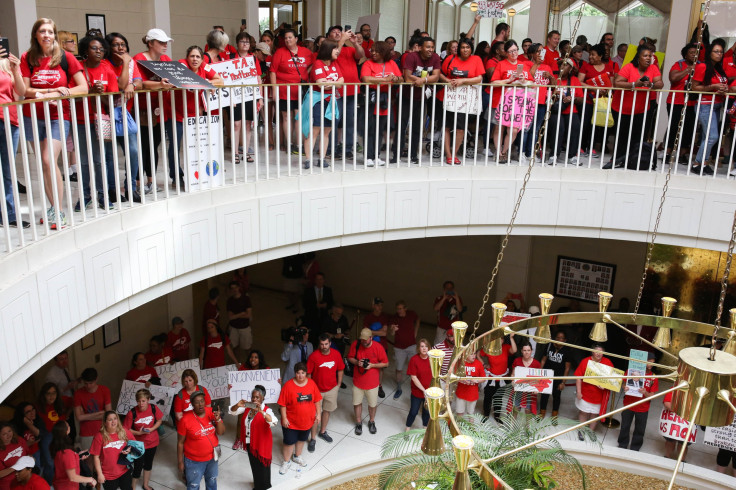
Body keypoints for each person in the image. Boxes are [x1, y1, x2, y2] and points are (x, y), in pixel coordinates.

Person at [21, 18, 87, 229]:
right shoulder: (28, 57)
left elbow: (83, 87)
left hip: (59, 116)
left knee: (49, 160)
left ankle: (59, 211)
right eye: (42, 31)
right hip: (33, 116)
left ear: (54, 34)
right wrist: (48, 91)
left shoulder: (65, 57)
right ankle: (52, 207)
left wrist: (64, 91)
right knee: (43, 164)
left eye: (50, 31)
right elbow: (25, 90)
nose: (46, 35)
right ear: (36, 35)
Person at [74, 34, 122, 211]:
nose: (99, 51)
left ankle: (103, 195)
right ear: (86, 50)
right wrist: (89, 92)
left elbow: (113, 100)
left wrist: (98, 95)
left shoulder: (107, 69)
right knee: (84, 160)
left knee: (100, 160)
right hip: (80, 120)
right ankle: (85, 196)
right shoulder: (78, 69)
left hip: (100, 120)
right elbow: (72, 99)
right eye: (94, 48)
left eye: (102, 49)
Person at [133, 28, 180, 193]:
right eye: (161, 42)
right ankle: (138, 182)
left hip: (161, 110)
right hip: (143, 110)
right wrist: (160, 84)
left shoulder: (166, 59)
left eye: (165, 42)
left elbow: (173, 77)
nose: (165, 45)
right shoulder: (138, 58)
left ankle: (151, 181)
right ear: (150, 43)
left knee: (155, 145)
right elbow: (140, 83)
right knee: (143, 146)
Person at [610, 44, 663, 168]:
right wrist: (635, 84)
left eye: (650, 56)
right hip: (621, 107)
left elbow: (660, 83)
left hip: (641, 108)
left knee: (638, 135)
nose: (648, 58)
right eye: (645, 55)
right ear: (638, 57)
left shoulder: (653, 68)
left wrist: (651, 85)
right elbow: (617, 83)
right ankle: (617, 160)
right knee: (622, 135)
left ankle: (632, 160)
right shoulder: (629, 67)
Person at [104, 32, 142, 203]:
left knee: (133, 151)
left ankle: (131, 187)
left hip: (125, 114)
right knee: (109, 155)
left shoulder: (132, 63)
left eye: (123, 44)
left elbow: (139, 82)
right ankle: (112, 189)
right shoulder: (105, 64)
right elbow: (119, 85)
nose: (120, 48)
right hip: (105, 115)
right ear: (108, 47)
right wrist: (126, 63)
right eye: (116, 44)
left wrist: (133, 84)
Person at [438, 38, 484, 165]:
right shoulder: (450, 58)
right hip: (449, 97)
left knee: (460, 129)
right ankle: (448, 154)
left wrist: (462, 81)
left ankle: (454, 153)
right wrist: (448, 81)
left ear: (471, 49)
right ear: (459, 48)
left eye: (467, 47)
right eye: (463, 47)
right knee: (446, 127)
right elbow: (440, 73)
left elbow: (479, 78)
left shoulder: (476, 59)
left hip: (465, 101)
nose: (465, 50)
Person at [397, 36, 441, 165]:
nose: (430, 50)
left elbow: (436, 77)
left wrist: (424, 80)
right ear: (420, 47)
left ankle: (413, 155)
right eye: (428, 47)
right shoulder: (412, 56)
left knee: (417, 128)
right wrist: (423, 79)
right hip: (406, 97)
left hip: (421, 98)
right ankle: (397, 154)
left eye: (432, 47)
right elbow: (407, 77)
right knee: (401, 126)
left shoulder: (436, 58)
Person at [300, 41, 343, 170]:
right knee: (315, 130)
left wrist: (330, 83)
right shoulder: (318, 64)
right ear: (327, 50)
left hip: (331, 100)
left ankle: (322, 158)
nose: (337, 51)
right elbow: (320, 84)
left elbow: (342, 82)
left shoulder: (335, 64)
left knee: (327, 131)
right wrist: (334, 82)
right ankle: (308, 159)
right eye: (335, 48)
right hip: (318, 101)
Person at [270, 29, 313, 155]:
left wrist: (305, 75)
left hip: (301, 91)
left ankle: (299, 145)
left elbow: (311, 65)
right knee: (286, 117)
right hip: (284, 90)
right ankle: (289, 144)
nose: (288, 40)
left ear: (296, 39)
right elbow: (273, 71)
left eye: (290, 37)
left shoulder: (305, 52)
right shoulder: (280, 52)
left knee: (299, 117)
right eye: (286, 38)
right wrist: (274, 90)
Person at [360, 41, 402, 167]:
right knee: (370, 129)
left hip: (385, 100)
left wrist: (395, 79)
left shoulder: (391, 63)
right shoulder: (367, 63)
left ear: (383, 52)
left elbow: (401, 78)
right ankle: (368, 156)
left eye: (376, 51)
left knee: (379, 130)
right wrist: (385, 79)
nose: (372, 53)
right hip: (371, 99)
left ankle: (376, 156)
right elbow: (365, 79)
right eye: (372, 50)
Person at [325, 26, 364, 160]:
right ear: (328, 36)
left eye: (339, 32)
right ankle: (331, 149)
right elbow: (333, 58)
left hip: (352, 90)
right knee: (334, 121)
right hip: (336, 91)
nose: (337, 34)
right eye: (334, 32)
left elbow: (361, 55)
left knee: (350, 122)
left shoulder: (349, 48)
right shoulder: (327, 48)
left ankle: (347, 149)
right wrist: (342, 40)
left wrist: (354, 42)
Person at [691, 43, 728, 175]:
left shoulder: (718, 68)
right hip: (705, 104)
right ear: (710, 53)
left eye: (721, 52)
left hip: (717, 105)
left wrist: (723, 89)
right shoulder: (703, 66)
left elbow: (720, 85)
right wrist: (713, 86)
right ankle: (697, 163)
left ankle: (704, 163)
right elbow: (694, 87)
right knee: (713, 136)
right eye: (716, 51)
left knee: (707, 136)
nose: (719, 54)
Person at [277, 363, 322, 475]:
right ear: (295, 373)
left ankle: (297, 456)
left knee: (302, 439)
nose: (301, 375)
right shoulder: (288, 386)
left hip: (307, 421)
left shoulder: (312, 384)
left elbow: (317, 400)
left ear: (306, 373)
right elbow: (282, 404)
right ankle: (286, 462)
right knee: (289, 442)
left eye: (303, 373)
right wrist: (284, 418)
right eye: (298, 373)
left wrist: (318, 414)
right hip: (291, 422)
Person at [490, 40, 531, 163]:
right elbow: (493, 82)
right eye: (510, 51)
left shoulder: (524, 65)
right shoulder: (501, 64)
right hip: (501, 100)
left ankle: (505, 151)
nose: (513, 53)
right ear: (506, 53)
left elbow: (532, 83)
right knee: (499, 128)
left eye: (515, 50)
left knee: (513, 129)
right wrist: (509, 80)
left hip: (517, 102)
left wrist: (524, 81)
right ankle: (499, 152)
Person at [229, 386, 277, 490]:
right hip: (250, 442)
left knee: (263, 467)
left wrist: (261, 412)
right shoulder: (247, 408)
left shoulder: (266, 410)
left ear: (263, 398)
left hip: (262, 444)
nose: (254, 399)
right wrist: (237, 405)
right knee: (254, 466)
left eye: (257, 397)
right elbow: (232, 411)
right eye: (253, 397)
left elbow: (273, 421)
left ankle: (265, 486)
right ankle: (258, 486)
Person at [0, 43, 26, 228]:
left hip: (10, 120)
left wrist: (16, 69)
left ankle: (10, 214)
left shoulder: (6, 64)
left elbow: (20, 93)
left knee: (9, 171)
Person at [177, 392, 225, 490]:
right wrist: (180, 462)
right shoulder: (185, 420)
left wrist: (218, 419)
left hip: (212, 457)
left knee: (212, 481)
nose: (200, 404)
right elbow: (180, 443)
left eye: (202, 401)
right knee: (193, 485)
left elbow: (221, 432)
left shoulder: (211, 412)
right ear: (192, 404)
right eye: (197, 402)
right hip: (194, 461)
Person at [577, 44, 617, 158]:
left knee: (596, 125)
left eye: (593, 55)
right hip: (588, 100)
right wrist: (595, 88)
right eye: (590, 55)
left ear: (600, 56)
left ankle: (591, 147)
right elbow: (579, 82)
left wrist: (606, 91)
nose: (590, 57)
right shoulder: (585, 66)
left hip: (602, 102)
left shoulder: (609, 68)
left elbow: (612, 85)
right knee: (584, 124)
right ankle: (580, 146)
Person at [348, 328, 389, 436]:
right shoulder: (356, 344)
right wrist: (357, 362)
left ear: (371, 338)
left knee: (372, 404)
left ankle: (371, 421)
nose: (364, 342)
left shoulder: (378, 347)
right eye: (362, 340)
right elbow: (350, 357)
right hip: (358, 382)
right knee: (357, 403)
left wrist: (372, 365)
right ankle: (358, 423)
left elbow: (386, 363)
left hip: (372, 383)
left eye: (366, 340)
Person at [307, 334, 345, 449]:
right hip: (317, 390)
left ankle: (322, 432)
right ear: (319, 344)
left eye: (326, 344)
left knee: (327, 411)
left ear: (330, 343)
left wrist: (338, 385)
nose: (324, 346)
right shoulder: (314, 356)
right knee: (315, 415)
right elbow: (308, 374)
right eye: (322, 344)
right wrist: (310, 388)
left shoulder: (336, 354)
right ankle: (313, 438)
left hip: (332, 389)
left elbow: (340, 369)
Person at [231, 32, 262, 164]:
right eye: (242, 42)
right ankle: (235, 153)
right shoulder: (231, 58)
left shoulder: (253, 59)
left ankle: (246, 150)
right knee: (236, 124)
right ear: (237, 43)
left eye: (247, 42)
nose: (245, 44)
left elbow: (258, 78)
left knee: (248, 124)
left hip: (250, 95)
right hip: (235, 95)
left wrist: (260, 97)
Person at [123, 389, 163, 490]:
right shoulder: (132, 413)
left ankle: (145, 485)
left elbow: (159, 420)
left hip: (152, 442)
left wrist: (152, 429)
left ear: (148, 400)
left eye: (143, 401)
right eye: (139, 401)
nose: (141, 404)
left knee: (148, 464)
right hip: (138, 444)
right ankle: (133, 487)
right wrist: (138, 433)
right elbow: (126, 430)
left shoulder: (154, 408)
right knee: (138, 465)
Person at [665, 43, 698, 165]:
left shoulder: (701, 66)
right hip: (676, 101)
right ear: (685, 55)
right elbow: (673, 78)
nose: (694, 55)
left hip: (692, 103)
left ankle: (683, 154)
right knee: (674, 127)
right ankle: (668, 153)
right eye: (691, 53)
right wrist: (687, 70)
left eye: (696, 53)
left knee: (688, 129)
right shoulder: (678, 64)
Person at [546, 59, 584, 165]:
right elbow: (547, 94)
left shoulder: (575, 80)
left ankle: (572, 156)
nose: (563, 66)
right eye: (561, 64)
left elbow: (581, 99)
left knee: (575, 127)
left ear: (571, 68)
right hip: (556, 110)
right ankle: (553, 155)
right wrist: (557, 94)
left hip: (571, 110)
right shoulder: (554, 79)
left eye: (566, 65)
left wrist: (572, 98)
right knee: (558, 128)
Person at [617, 351, 658, 451]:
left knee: (640, 429)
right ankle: (622, 444)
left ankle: (635, 448)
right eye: (649, 362)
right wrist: (625, 388)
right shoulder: (631, 371)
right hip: (629, 404)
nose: (651, 364)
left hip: (643, 408)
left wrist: (645, 392)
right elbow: (623, 383)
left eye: (653, 362)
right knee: (625, 426)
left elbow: (652, 396)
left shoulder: (654, 377)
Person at [521, 43, 555, 162]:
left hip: (541, 102)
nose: (541, 54)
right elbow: (528, 77)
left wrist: (550, 76)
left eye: (542, 51)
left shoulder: (547, 67)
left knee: (535, 130)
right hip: (529, 101)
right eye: (538, 51)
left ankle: (530, 153)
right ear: (532, 54)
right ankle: (522, 152)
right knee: (525, 128)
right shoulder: (526, 64)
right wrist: (536, 64)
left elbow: (555, 85)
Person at [574, 344, 614, 440]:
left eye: (601, 352)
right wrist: (579, 392)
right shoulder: (585, 361)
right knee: (583, 412)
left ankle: (591, 432)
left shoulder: (607, 362)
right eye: (596, 351)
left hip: (599, 396)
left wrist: (605, 385)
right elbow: (578, 378)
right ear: (592, 351)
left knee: (594, 415)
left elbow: (613, 379)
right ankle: (582, 430)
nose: (598, 354)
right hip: (585, 393)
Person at [90, 411, 134, 490]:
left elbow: (134, 445)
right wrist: (100, 474)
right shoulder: (99, 436)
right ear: (105, 422)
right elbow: (96, 457)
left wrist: (129, 450)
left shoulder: (124, 431)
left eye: (115, 418)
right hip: (109, 475)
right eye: (110, 420)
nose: (113, 422)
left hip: (124, 470)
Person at [479, 333, 517, 423]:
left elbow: (514, 350)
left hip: (502, 378)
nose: (499, 341)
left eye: (501, 339)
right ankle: (486, 415)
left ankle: (497, 416)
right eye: (497, 339)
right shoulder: (489, 348)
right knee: (488, 397)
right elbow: (478, 354)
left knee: (499, 398)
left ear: (503, 340)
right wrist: (483, 364)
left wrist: (511, 337)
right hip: (491, 378)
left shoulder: (506, 347)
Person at [50, 421, 97, 490]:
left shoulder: (58, 448)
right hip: (68, 487)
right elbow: (72, 477)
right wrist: (90, 479)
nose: (69, 427)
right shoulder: (67, 452)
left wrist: (77, 457)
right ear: (66, 430)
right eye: (68, 426)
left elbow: (65, 463)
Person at [73, 368, 112, 450]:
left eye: (91, 383)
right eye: (85, 383)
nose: (88, 386)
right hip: (86, 432)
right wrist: (100, 413)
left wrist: (85, 416)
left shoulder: (104, 390)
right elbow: (79, 417)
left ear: (96, 379)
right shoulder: (78, 393)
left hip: (103, 429)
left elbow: (108, 414)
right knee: (89, 459)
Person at [389, 300, 420, 399]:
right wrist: (393, 330)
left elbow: (418, 319)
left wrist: (415, 332)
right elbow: (392, 334)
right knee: (399, 368)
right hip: (399, 348)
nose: (399, 311)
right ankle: (399, 388)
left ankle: (417, 387)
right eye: (397, 309)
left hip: (411, 346)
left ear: (405, 308)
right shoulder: (394, 318)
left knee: (415, 367)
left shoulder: (411, 314)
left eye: (401, 309)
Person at [36, 383, 65, 483]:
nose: (51, 396)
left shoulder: (60, 403)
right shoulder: (38, 407)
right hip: (47, 437)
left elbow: (74, 403)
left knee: (62, 462)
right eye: (48, 393)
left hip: (60, 436)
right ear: (43, 395)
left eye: (54, 393)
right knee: (50, 463)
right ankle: (50, 485)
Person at [539, 331, 571, 418]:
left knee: (556, 396)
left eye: (561, 338)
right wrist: (539, 374)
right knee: (544, 395)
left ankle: (554, 414)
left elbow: (567, 368)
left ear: (565, 340)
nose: (559, 339)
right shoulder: (549, 346)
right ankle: (542, 412)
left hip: (558, 377)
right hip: (547, 375)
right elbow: (543, 360)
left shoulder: (567, 350)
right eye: (557, 337)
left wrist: (563, 382)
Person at [405, 339, 433, 430]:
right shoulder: (414, 360)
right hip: (417, 392)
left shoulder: (432, 359)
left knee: (426, 412)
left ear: (429, 348)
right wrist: (424, 390)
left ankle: (425, 428)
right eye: (422, 346)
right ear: (418, 348)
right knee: (413, 411)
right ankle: (407, 428)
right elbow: (413, 377)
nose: (424, 348)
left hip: (429, 392)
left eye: (426, 346)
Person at [507, 344, 541, 416]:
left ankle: (527, 427)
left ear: (531, 351)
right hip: (518, 389)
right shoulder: (517, 361)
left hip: (530, 391)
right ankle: (513, 426)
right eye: (524, 350)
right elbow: (513, 375)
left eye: (528, 350)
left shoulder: (536, 364)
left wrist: (537, 388)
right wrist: (513, 381)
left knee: (528, 410)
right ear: (522, 351)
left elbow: (539, 379)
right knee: (515, 409)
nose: (526, 352)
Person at [12, 404, 41, 473]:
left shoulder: (36, 419)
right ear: (22, 414)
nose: (32, 413)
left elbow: (39, 436)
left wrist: (29, 424)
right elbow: (15, 447)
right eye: (28, 412)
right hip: (23, 455)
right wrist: (27, 444)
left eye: (33, 409)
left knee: (37, 470)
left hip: (35, 450)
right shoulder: (15, 426)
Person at [433, 281, 463, 346]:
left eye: (451, 288)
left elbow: (460, 309)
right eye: (447, 288)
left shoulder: (457, 298)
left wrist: (456, 298)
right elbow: (436, 308)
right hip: (442, 327)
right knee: (438, 345)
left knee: (457, 345)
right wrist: (444, 298)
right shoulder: (439, 298)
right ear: (444, 289)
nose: (449, 290)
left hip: (454, 328)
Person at [303, 272, 334, 337]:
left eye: (321, 279)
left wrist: (326, 305)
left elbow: (331, 303)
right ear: (315, 280)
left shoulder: (328, 290)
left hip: (324, 317)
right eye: (317, 279)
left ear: (324, 280)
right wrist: (315, 306)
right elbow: (304, 304)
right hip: (311, 317)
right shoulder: (308, 291)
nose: (319, 281)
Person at [227, 281, 253, 355]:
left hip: (244, 327)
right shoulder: (230, 301)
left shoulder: (246, 299)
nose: (234, 290)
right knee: (235, 347)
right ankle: (238, 364)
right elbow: (230, 317)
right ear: (230, 290)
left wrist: (235, 316)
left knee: (247, 348)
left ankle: (249, 364)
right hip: (233, 328)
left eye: (235, 287)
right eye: (232, 288)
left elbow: (248, 315)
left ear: (239, 288)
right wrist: (241, 313)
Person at [455, 349, 484, 417]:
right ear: (466, 354)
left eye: (474, 354)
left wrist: (476, 380)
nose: (474, 356)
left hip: (473, 393)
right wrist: (462, 380)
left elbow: (483, 378)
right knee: (460, 412)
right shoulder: (460, 363)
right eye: (471, 354)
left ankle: (471, 427)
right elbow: (455, 377)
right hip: (461, 392)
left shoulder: (478, 363)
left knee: (471, 413)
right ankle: (459, 426)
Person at [0, 423, 28, 490]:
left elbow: (27, 454)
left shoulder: (20, 440)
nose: (9, 435)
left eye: (9, 431)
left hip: (24, 477)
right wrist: (16, 466)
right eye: (4, 434)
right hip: (8, 483)